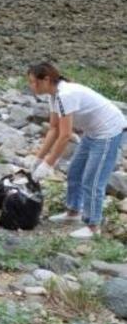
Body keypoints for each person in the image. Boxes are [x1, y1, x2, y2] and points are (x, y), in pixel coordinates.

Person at [27, 62, 126, 239]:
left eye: (33, 82)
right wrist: (38, 159)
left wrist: (48, 164)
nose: (31, 86)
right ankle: (73, 212)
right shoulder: (53, 95)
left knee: (92, 180)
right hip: (92, 132)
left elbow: (65, 136)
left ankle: (93, 225)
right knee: (75, 171)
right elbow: (54, 129)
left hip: (109, 132)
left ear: (46, 80)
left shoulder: (66, 95)